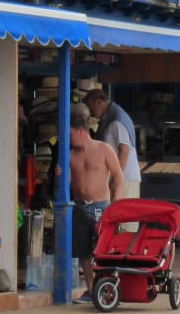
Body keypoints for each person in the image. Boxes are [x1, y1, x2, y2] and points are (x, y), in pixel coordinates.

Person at [68, 103, 124, 303]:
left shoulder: (104, 148)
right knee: (83, 251)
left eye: (70, 134)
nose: (68, 139)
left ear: (81, 132)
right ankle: (91, 290)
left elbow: (118, 176)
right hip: (80, 206)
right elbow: (66, 184)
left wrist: (116, 205)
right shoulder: (70, 155)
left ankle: (105, 287)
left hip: (102, 206)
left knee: (102, 250)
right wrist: (60, 176)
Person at [84, 88, 141, 200]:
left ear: (99, 102)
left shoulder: (117, 120)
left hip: (125, 178)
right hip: (120, 177)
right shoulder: (111, 119)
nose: (92, 114)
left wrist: (117, 179)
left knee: (124, 215)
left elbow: (124, 151)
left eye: (92, 109)